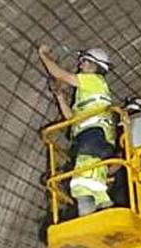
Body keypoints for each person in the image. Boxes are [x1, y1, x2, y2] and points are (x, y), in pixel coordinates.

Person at [37, 44, 116, 216]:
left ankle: (91, 212)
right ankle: (102, 207)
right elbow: (71, 119)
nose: (80, 66)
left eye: (84, 62)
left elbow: (60, 74)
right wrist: (59, 96)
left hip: (94, 135)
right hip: (91, 136)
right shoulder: (86, 92)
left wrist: (43, 55)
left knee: (83, 178)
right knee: (91, 175)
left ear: (96, 67)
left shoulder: (95, 81)